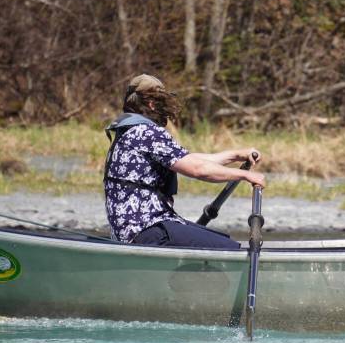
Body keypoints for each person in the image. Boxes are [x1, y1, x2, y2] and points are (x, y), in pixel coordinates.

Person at [104, 73, 265, 249]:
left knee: (221, 238)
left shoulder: (128, 132)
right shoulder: (146, 132)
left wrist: (234, 156)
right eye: (160, 103)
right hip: (147, 229)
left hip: (135, 230)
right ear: (151, 104)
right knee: (228, 247)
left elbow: (188, 159)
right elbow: (198, 169)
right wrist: (244, 175)